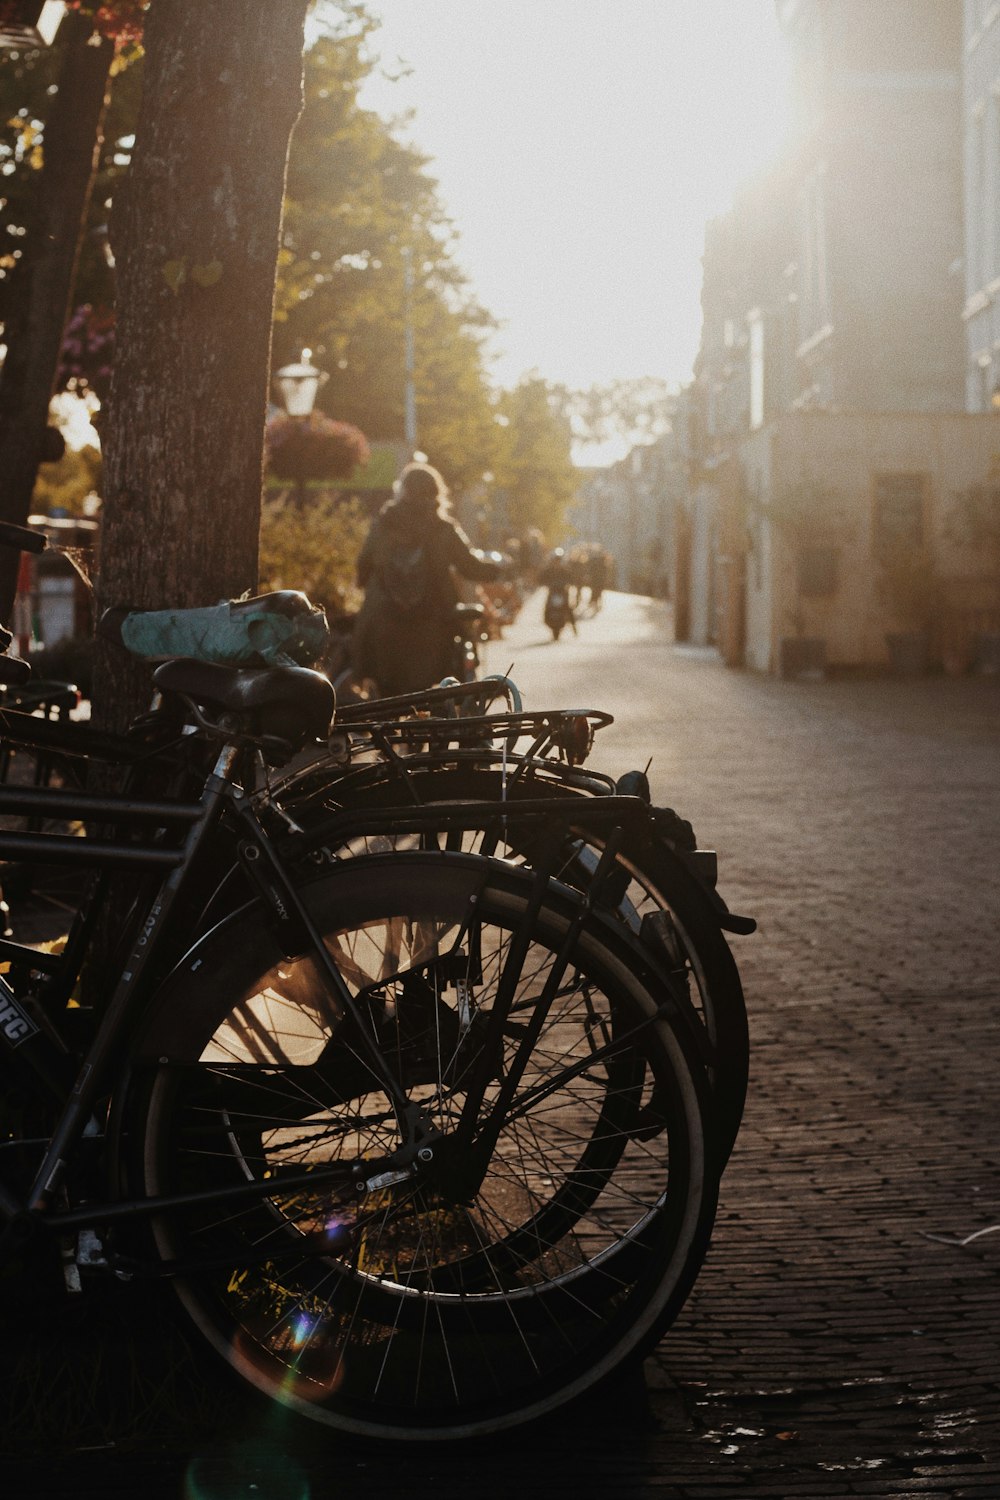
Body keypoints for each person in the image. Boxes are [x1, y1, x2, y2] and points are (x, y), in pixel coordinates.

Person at [353, 461, 503, 696]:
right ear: (436, 492)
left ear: (402, 490)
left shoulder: (383, 524)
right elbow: (469, 567)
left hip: (386, 626)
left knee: (366, 638)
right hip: (433, 624)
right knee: (458, 645)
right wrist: (497, 570)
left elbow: (363, 566)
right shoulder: (443, 528)